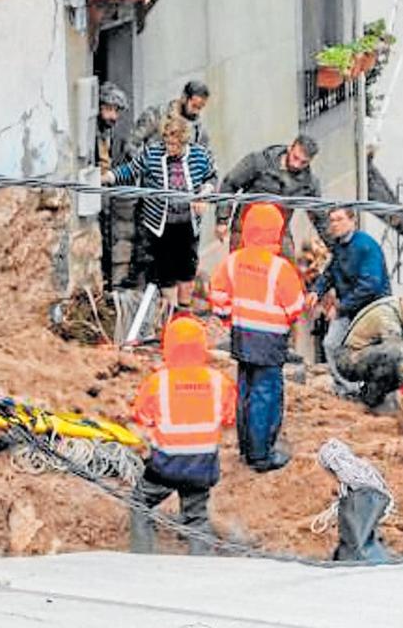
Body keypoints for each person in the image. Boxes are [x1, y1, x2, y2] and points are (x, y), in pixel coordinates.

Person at [208, 203, 306, 472]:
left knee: (246, 391)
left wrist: (229, 316)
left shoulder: (234, 261)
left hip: (241, 335)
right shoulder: (280, 268)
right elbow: (296, 306)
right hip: (270, 339)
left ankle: (246, 447)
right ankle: (261, 454)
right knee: (267, 394)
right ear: (276, 231)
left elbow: (217, 296)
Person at [128, 314, 236, 555]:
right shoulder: (220, 382)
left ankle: (140, 560)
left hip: (166, 465)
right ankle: (200, 568)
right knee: (196, 518)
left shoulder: (157, 383)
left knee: (139, 504)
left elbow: (142, 418)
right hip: (202, 465)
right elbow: (229, 420)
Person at [103, 116, 217, 312]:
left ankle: (184, 311)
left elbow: (212, 177)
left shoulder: (199, 155)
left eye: (175, 145)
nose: (170, 148)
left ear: (184, 142)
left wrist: (204, 194)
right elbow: (131, 169)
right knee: (166, 271)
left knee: (187, 270)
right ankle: (171, 314)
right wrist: (108, 177)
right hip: (160, 224)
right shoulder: (153, 153)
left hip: (188, 223)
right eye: (167, 143)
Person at [307, 207, 391, 399]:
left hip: (372, 309)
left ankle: (368, 390)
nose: (334, 224)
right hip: (348, 308)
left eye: (339, 219)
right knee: (331, 344)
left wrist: (340, 307)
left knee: (366, 352)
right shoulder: (339, 247)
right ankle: (347, 389)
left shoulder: (366, 246)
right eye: (332, 220)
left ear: (352, 221)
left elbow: (371, 285)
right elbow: (329, 273)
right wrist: (316, 291)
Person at [214, 135, 328, 251]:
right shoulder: (259, 162)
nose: (296, 165)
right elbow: (230, 184)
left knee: (288, 267)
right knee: (243, 264)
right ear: (290, 148)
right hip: (246, 226)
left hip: (279, 232)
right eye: (295, 157)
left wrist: (335, 247)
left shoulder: (308, 183)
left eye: (303, 163)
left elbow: (319, 216)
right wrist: (222, 220)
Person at [332, 293, 403, 410]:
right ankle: (367, 403)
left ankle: (371, 400)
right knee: (392, 358)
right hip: (348, 359)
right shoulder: (387, 315)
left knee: (395, 362)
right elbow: (399, 358)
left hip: (368, 356)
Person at [95, 82, 129, 290]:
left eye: (116, 111)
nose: (112, 116)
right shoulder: (93, 132)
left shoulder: (111, 133)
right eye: (108, 109)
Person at [132, 80, 210, 150]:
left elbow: (207, 159)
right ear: (184, 98)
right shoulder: (157, 115)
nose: (196, 112)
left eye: (200, 108)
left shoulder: (199, 130)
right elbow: (131, 144)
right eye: (194, 106)